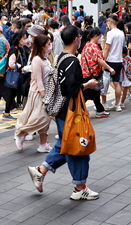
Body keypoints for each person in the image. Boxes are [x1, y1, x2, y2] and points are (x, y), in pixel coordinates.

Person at [26, 25, 101, 200]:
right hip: (71, 113)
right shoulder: (72, 61)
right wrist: (88, 85)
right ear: (76, 39)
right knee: (78, 148)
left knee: (66, 146)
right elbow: (72, 90)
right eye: (80, 37)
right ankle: (79, 187)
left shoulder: (60, 57)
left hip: (62, 112)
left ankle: (40, 171)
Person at [14, 33, 51, 152]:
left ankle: (43, 144)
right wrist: (43, 95)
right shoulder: (36, 60)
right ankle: (22, 133)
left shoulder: (46, 58)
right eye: (48, 44)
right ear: (42, 46)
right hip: (38, 92)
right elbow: (38, 80)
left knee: (47, 119)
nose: (50, 46)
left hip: (46, 91)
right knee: (41, 117)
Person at [80, 28, 113, 116]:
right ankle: (78, 110)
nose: (101, 38)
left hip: (86, 74)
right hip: (92, 75)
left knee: (95, 93)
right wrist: (110, 68)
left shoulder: (87, 45)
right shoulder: (94, 46)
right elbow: (99, 60)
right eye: (100, 36)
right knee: (86, 95)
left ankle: (100, 110)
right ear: (96, 36)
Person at [103, 16, 126, 110]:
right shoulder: (121, 33)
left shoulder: (110, 33)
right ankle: (118, 104)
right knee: (117, 83)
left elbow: (107, 48)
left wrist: (103, 60)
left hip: (110, 60)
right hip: (119, 60)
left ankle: (103, 103)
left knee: (105, 83)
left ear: (110, 22)